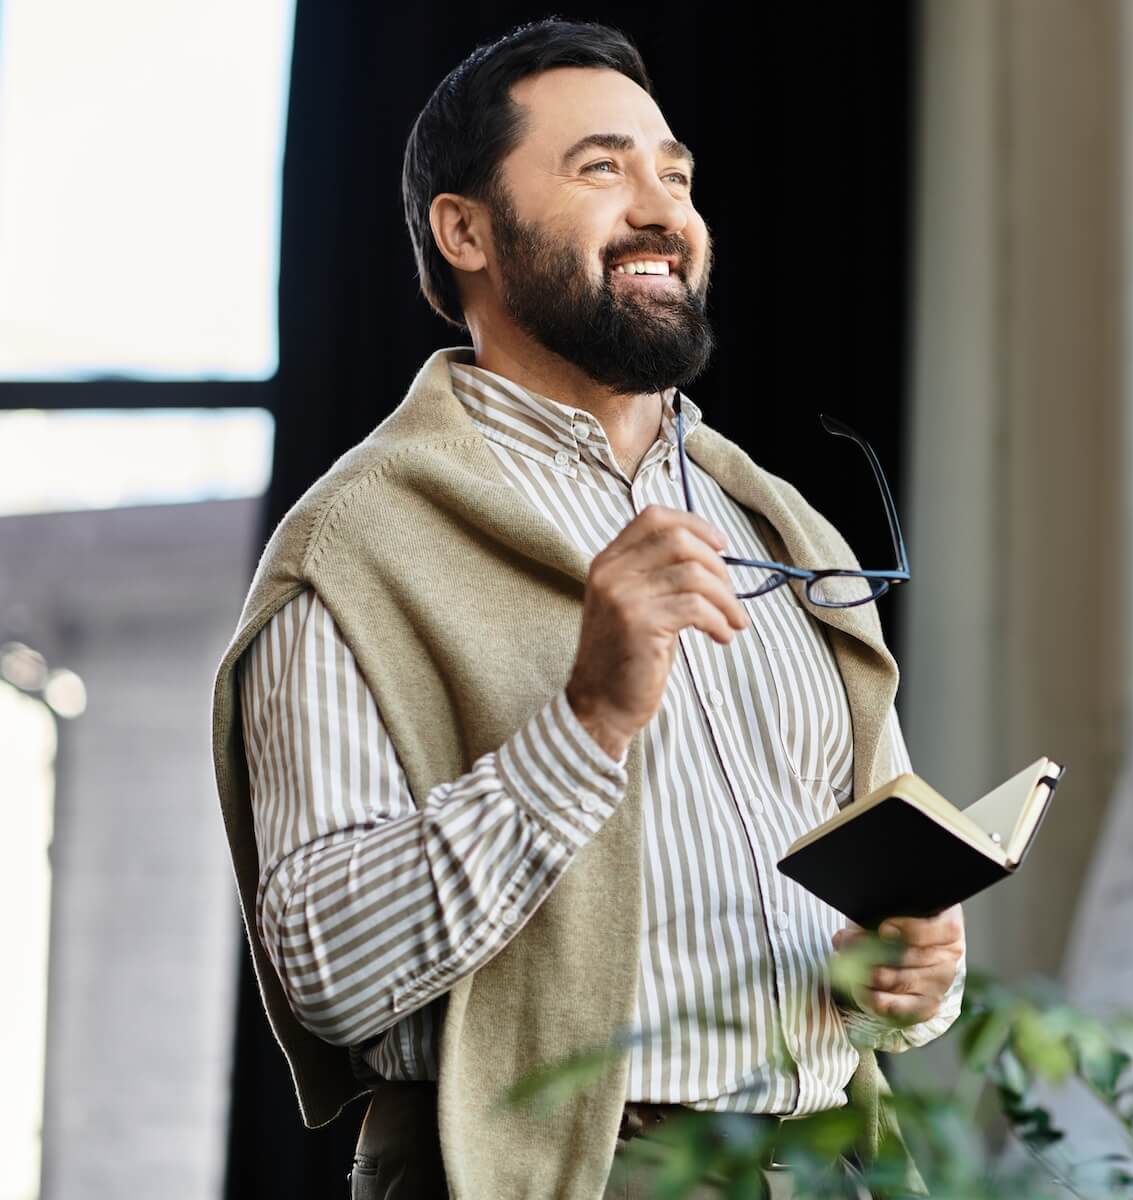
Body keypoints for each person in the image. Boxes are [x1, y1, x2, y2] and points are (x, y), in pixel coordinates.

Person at [209, 19, 963, 1198]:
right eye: (602, 169)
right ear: (465, 232)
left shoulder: (784, 531)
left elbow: (865, 921)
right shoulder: (356, 549)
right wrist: (589, 721)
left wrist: (908, 977)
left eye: (677, 176)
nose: (662, 209)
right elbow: (327, 975)